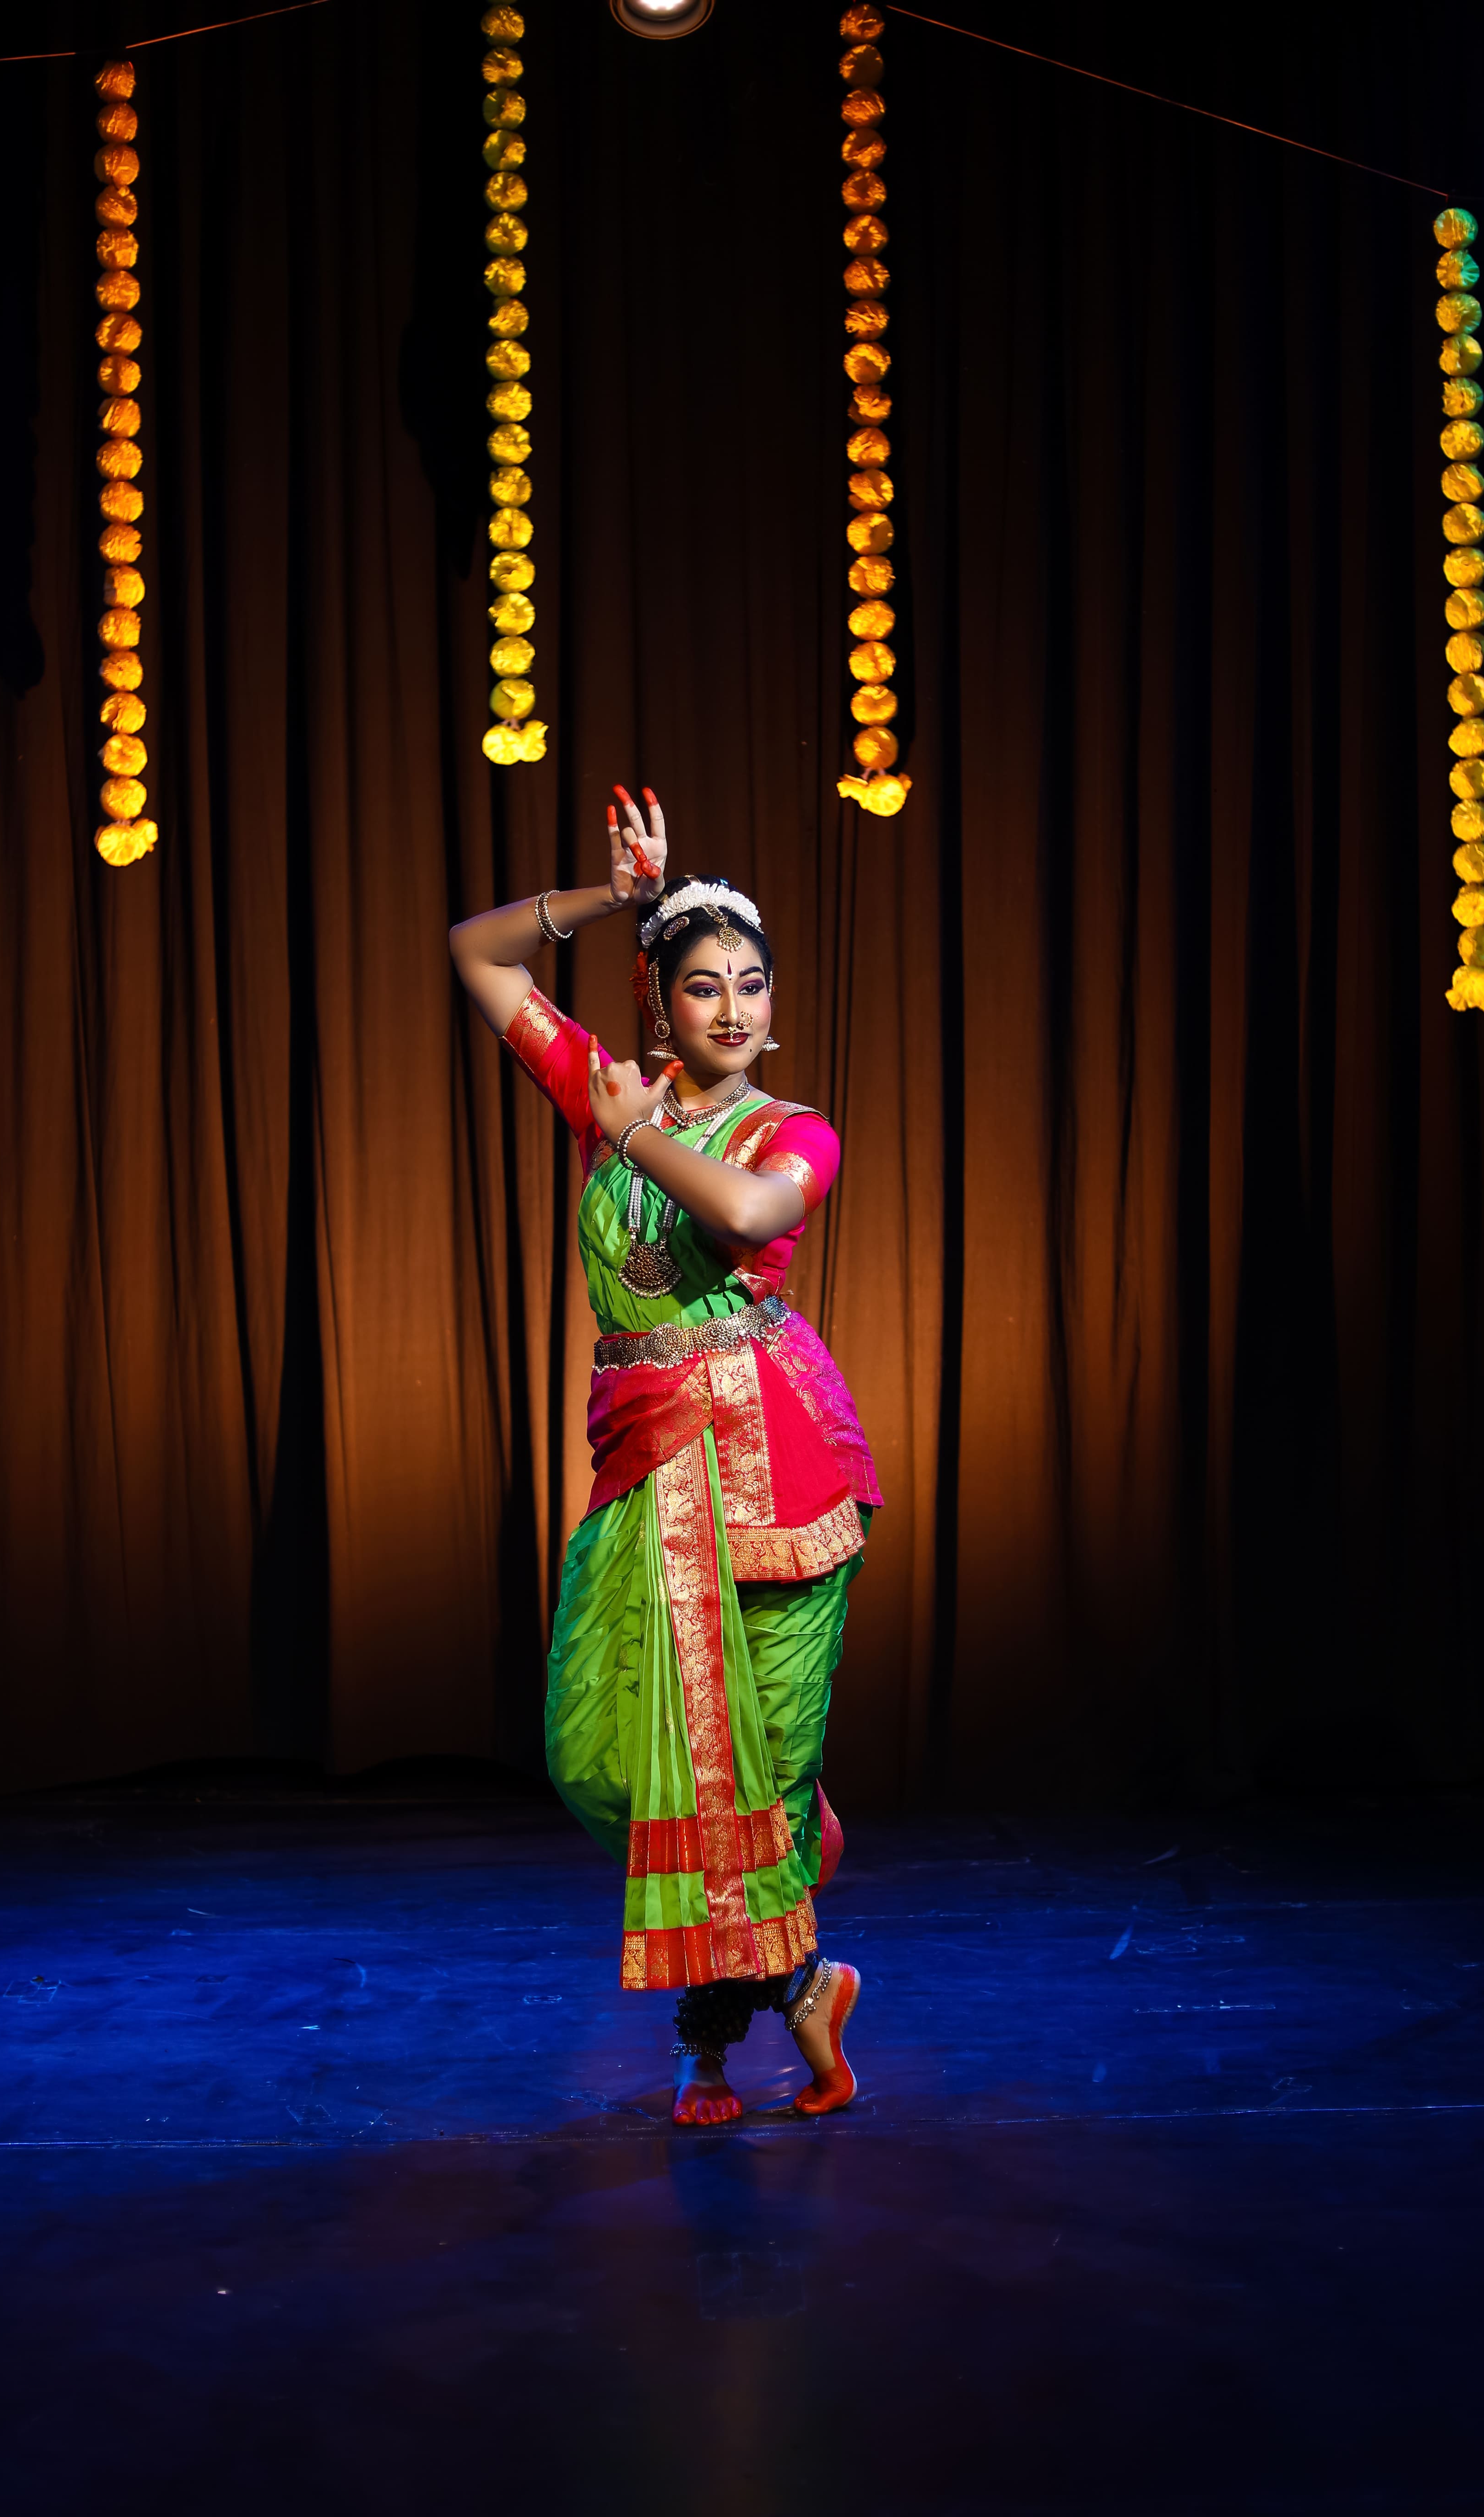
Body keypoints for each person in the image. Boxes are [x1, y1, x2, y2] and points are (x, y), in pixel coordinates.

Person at [449, 785, 882, 2124]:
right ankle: (805, 1982)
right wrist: (618, 901)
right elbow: (477, 950)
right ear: (661, 1005)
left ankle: (709, 2045)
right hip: (644, 1472)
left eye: (752, 984)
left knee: (749, 1776)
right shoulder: (606, 1088)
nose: (735, 1009)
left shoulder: (787, 1131)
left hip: (781, 1486)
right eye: (703, 987)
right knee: (604, 1761)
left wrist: (632, 1128)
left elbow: (751, 1214)